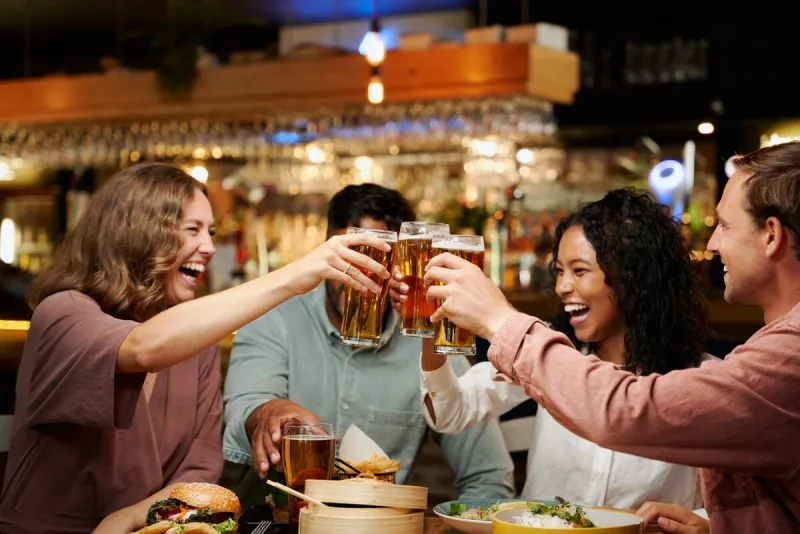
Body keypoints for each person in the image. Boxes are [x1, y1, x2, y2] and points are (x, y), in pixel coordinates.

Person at [422, 142, 800, 533]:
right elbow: (451, 409)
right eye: (559, 271)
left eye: (723, 224)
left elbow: (621, 410)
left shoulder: (764, 362)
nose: (714, 244)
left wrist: (499, 320)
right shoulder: (563, 355)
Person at [0, 163, 392, 534]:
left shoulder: (197, 342)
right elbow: (143, 348)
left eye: (211, 232)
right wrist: (298, 274)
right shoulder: (62, 313)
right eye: (192, 230)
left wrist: (132, 517)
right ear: (137, 233)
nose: (207, 246)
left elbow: (200, 472)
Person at [392, 188, 709, 510]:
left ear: (633, 277)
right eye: (559, 271)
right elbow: (451, 412)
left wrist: (700, 521)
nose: (562, 287)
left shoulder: (702, 381)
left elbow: (740, 502)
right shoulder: (552, 355)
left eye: (579, 271)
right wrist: (429, 327)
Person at [222, 183, 515, 506]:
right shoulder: (274, 317)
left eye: (378, 260)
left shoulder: (431, 348)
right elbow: (243, 407)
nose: (359, 274)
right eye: (349, 256)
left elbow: (489, 480)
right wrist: (268, 412)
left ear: (402, 264)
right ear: (325, 250)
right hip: (274, 520)